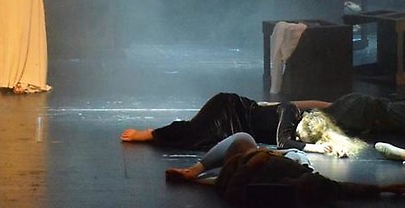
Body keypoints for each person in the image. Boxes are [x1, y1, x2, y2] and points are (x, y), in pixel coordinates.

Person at [164, 132, 405, 206]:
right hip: (272, 167)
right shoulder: (303, 178)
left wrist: (250, 164)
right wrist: (383, 188)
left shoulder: (240, 170)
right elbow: (343, 189)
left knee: (242, 139)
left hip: (253, 166)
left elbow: (230, 192)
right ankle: (195, 170)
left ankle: (195, 169)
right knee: (245, 140)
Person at [120, 92, 365, 157]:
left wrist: (332, 146)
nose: (298, 139)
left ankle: (164, 133)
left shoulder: (300, 125)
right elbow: (283, 143)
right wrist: (315, 149)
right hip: (229, 109)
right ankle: (151, 133)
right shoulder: (290, 112)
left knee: (207, 141)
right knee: (195, 132)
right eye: (300, 137)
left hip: (241, 126)